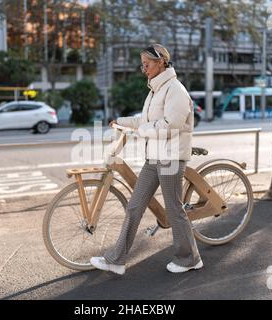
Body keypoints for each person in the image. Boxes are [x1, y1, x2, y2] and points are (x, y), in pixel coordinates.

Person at [90, 44, 202, 275]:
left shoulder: (176, 90)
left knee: (173, 209)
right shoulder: (155, 90)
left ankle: (190, 258)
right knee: (134, 206)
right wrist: (121, 121)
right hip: (154, 158)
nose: (144, 69)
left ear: (161, 62)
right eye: (142, 64)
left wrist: (141, 131)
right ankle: (116, 260)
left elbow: (171, 126)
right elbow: (145, 119)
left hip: (171, 158)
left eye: (147, 64)